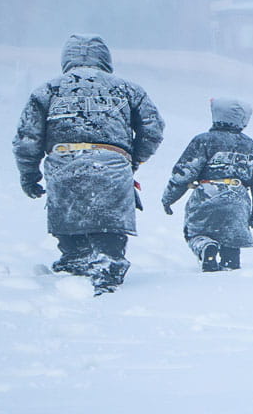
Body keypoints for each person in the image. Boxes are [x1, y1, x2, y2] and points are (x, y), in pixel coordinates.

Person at [12, 35, 165, 295]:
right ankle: (108, 267)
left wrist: (29, 175)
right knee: (109, 226)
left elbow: (27, 138)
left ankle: (74, 265)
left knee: (70, 224)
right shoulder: (128, 89)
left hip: (64, 166)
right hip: (112, 165)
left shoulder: (47, 90)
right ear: (105, 59)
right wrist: (133, 159)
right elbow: (153, 129)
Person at [160, 98, 253, 271]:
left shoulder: (204, 140)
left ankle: (206, 247)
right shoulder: (252, 147)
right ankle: (230, 271)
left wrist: (169, 198)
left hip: (207, 193)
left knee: (196, 232)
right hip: (238, 199)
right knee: (232, 239)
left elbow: (184, 172)